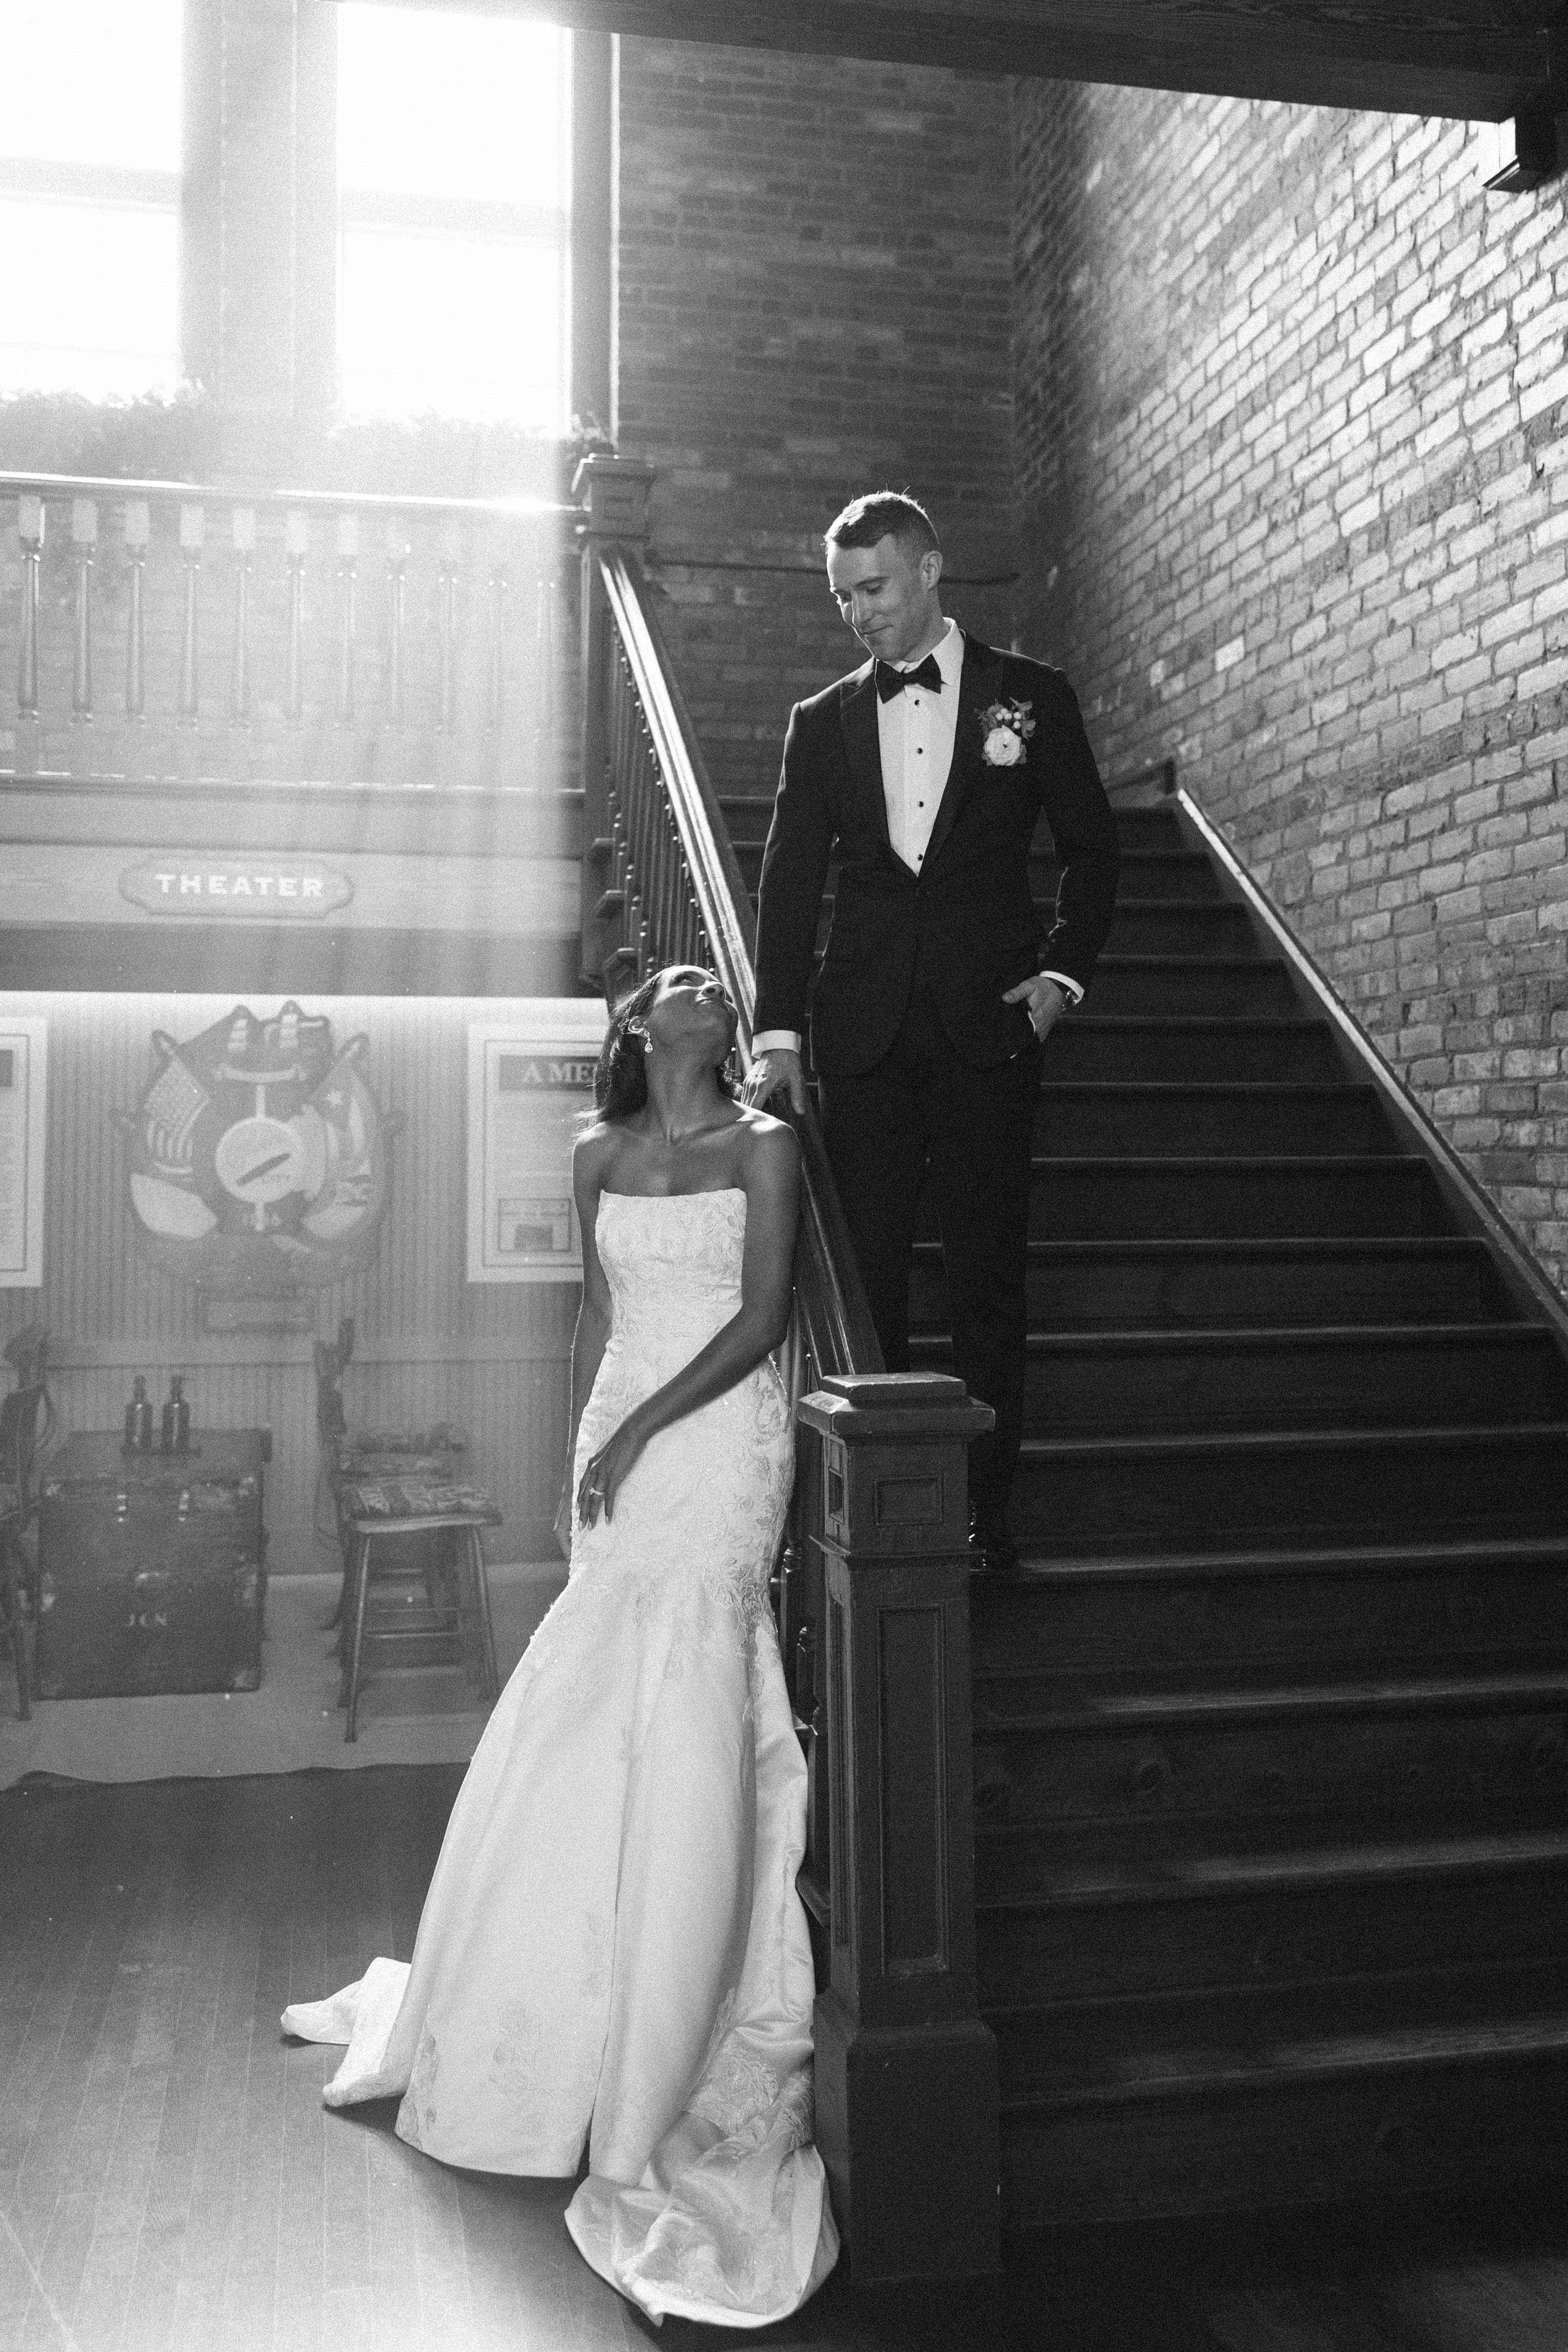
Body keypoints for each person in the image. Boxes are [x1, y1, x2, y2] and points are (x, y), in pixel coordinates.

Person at [281, 966, 839, 2330]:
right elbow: (593, 1311)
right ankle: (552, 1974)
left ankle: (678, 1992)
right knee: (590, 1685)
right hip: (623, 1418)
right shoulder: (593, 1148)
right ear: (640, 1028)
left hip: (717, 1437)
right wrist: (586, 1441)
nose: (699, 988)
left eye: (712, 983)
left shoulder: (766, 1145)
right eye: (672, 983)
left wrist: (648, 1429)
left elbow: (763, 1321)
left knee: (695, 1669)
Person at [743, 491, 1120, 1570]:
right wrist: (778, 1034)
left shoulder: (1029, 697)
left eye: (872, 588)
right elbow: (786, 882)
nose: (856, 614)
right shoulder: (819, 722)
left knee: (987, 1280)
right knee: (866, 1284)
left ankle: (984, 1527)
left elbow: (1093, 850)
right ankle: (877, 1526)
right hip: (859, 1036)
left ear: (927, 570)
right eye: (840, 597)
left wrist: (1059, 973)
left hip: (988, 1032)